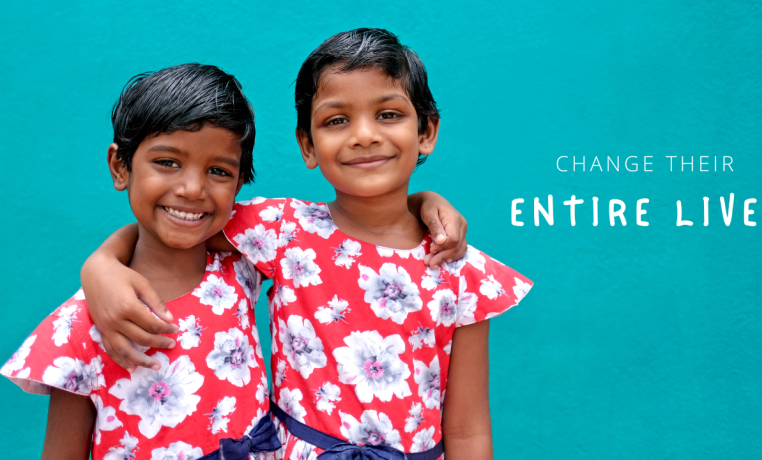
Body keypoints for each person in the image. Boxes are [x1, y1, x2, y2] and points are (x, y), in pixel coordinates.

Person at [81, 29, 532, 460]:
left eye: (388, 114)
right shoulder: (283, 230)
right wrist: (101, 265)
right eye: (337, 120)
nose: (364, 135)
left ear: (426, 132)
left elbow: (469, 427)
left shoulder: (461, 268)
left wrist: (424, 201)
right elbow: (178, 227)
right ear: (307, 144)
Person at [1, 62, 467, 459]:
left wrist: (423, 201)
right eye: (167, 162)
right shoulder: (81, 323)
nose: (191, 189)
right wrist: (100, 266)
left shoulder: (240, 268)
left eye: (219, 171)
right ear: (121, 166)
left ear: (240, 182)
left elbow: (358, 231)